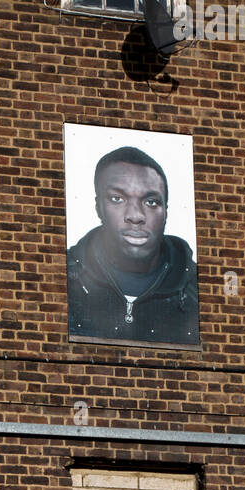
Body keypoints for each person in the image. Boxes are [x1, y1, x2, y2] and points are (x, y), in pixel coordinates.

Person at [67, 146, 199, 345]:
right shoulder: (64, 278)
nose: (136, 216)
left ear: (166, 212)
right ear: (98, 208)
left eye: (151, 202)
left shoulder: (198, 289)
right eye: (117, 199)